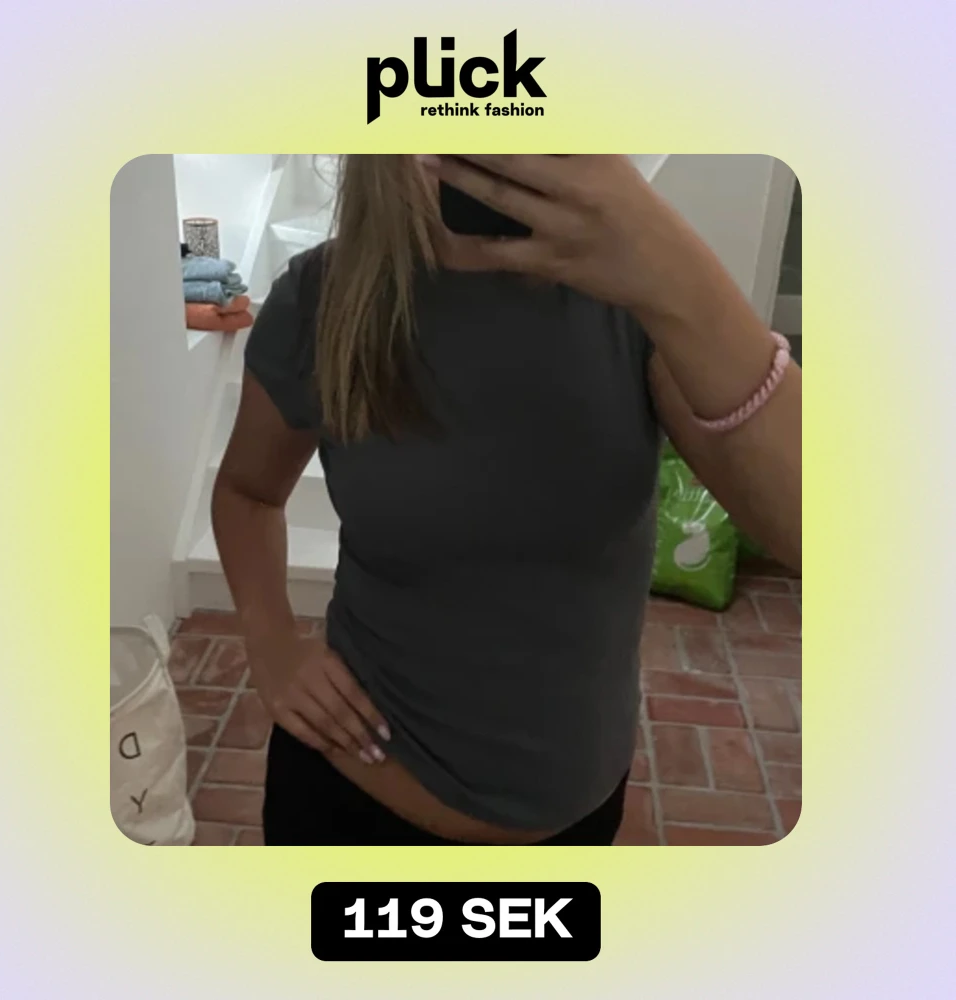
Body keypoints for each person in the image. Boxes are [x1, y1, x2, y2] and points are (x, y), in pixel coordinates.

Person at [212, 154, 801, 846]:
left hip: (582, 816)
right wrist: (272, 644)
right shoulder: (320, 300)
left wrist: (673, 270)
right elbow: (247, 493)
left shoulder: (629, 299)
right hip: (356, 802)